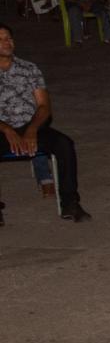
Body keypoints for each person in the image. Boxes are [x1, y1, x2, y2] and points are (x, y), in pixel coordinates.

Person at [0, 25, 90, 222]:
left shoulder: (29, 68)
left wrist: (32, 129)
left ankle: (70, 203)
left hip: (29, 124)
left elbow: (43, 106)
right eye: (2, 39)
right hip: (1, 127)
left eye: (9, 38)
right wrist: (7, 129)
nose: (8, 42)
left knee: (64, 144)